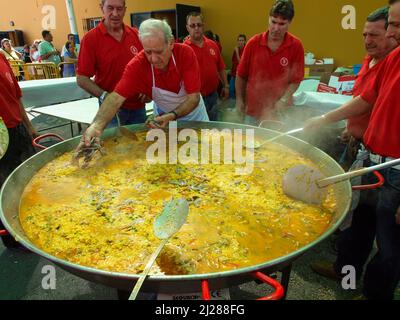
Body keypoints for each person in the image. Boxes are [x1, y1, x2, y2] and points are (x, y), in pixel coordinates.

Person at [305, 0, 400, 300]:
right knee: (359, 227)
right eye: (392, 24)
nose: (390, 32)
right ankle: (346, 272)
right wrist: (324, 119)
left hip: (397, 173)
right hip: (371, 159)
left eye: (396, 25)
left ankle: (374, 295)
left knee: (390, 248)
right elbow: (367, 100)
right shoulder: (395, 57)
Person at [75, 18, 208, 153]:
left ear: (171, 43)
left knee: (201, 154)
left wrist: (173, 114)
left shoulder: (185, 54)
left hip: (194, 116)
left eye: (159, 52)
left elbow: (193, 98)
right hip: (164, 119)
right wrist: (96, 126)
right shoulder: (137, 65)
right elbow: (115, 98)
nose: (154, 59)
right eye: (148, 52)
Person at [339, 6, 397, 167]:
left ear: (391, 34)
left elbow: (366, 101)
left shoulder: (391, 65)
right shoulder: (370, 58)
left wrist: (324, 119)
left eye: (374, 35)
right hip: (354, 143)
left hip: (377, 155)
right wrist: (350, 127)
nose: (367, 41)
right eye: (365, 35)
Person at [77, 0, 146, 127]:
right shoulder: (90, 39)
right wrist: (105, 96)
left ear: (125, 10)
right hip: (111, 110)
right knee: (113, 146)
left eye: (119, 9)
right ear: (101, 8)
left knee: (140, 144)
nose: (115, 13)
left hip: (138, 107)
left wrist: (147, 88)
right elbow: (81, 78)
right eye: (110, 8)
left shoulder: (136, 35)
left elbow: (147, 66)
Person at [236, 0, 304, 125]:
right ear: (269, 18)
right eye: (273, 22)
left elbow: (296, 80)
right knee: (250, 143)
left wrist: (283, 100)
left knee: (277, 144)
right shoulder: (253, 43)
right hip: (253, 111)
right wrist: (239, 100)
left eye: (282, 24)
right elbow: (241, 75)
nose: (276, 28)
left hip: (279, 113)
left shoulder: (296, 46)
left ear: (290, 22)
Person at [0, 54, 37, 248]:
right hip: (1, 136)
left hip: (17, 129)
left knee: (30, 179)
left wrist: (28, 125)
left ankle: (33, 231)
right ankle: (12, 239)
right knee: (4, 189)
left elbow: (16, 96)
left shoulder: (2, 58)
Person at [184, 12, 229, 121]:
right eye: (192, 25)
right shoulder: (183, 49)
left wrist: (226, 85)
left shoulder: (213, 45)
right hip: (194, 99)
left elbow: (221, 67)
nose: (196, 28)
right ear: (187, 28)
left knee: (214, 128)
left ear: (203, 26)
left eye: (199, 25)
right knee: (198, 131)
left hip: (213, 96)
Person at [229, 34, 246, 99]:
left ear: (244, 41)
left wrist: (237, 52)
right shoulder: (236, 49)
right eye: (239, 40)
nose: (240, 42)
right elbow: (233, 61)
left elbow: (241, 63)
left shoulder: (245, 49)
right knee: (231, 90)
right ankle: (233, 105)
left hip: (241, 76)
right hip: (234, 74)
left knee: (240, 92)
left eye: (242, 40)